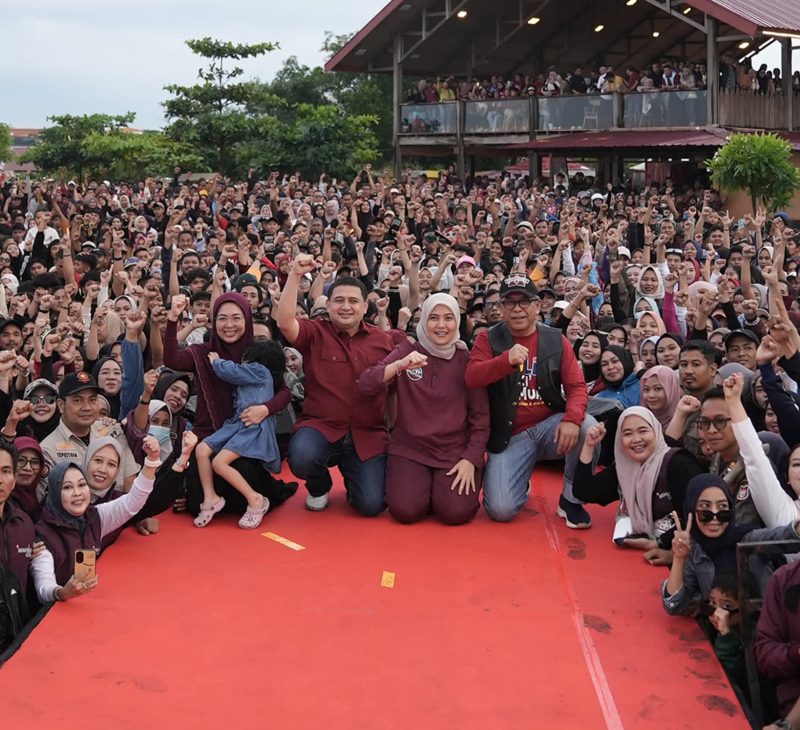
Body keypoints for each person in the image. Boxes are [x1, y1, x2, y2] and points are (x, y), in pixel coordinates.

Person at [465, 273, 595, 528]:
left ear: (537, 305)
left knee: (587, 426)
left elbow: (577, 387)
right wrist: (505, 361)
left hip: (549, 428)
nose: (517, 309)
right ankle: (519, 477)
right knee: (500, 510)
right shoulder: (487, 338)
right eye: (509, 302)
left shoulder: (555, 339)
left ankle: (571, 499)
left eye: (524, 302)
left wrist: (571, 419)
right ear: (500, 308)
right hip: (509, 435)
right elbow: (471, 377)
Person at [277, 253, 394, 516]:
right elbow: (285, 322)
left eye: (353, 301)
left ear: (365, 307)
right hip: (322, 427)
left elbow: (393, 391)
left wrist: (396, 429)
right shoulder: (315, 332)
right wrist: (295, 274)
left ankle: (355, 480)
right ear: (328, 305)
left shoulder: (383, 341)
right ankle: (319, 486)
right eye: (339, 300)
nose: (346, 306)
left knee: (371, 505)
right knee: (302, 457)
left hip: (367, 433)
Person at [359, 293, 490, 524]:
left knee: (455, 513)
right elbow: (367, 384)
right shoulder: (408, 350)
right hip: (410, 448)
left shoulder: (467, 359)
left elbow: (480, 418)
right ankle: (424, 490)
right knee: (405, 511)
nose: (441, 325)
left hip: (453, 452)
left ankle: (438, 491)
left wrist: (471, 458)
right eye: (434, 318)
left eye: (448, 318)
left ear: (457, 322)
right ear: (423, 321)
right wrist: (398, 365)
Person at [163, 291, 296, 517]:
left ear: (247, 319)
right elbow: (172, 360)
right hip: (209, 434)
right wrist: (173, 320)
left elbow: (284, 391)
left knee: (241, 475)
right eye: (222, 318)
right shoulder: (204, 353)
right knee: (195, 503)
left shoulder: (256, 356)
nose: (229, 325)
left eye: (237, 318)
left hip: (244, 435)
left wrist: (265, 409)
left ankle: (255, 498)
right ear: (214, 323)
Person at [32, 436, 164, 603]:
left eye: (81, 485)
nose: (77, 493)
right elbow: (43, 586)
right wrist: (63, 592)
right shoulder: (42, 535)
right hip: (53, 617)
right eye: (67, 487)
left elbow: (133, 502)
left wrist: (151, 461)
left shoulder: (95, 516)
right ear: (55, 493)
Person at [574, 408, 705, 562]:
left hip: (684, 555)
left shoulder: (677, 464)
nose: (636, 439)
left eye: (643, 431)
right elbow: (584, 491)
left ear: (656, 431)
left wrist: (660, 543)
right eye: (628, 433)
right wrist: (589, 446)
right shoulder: (626, 467)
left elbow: (699, 514)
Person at [662, 474, 800, 617]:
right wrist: (679, 558)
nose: (715, 515)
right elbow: (674, 606)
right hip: (723, 634)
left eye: (722, 508)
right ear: (691, 511)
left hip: (766, 629)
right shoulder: (694, 552)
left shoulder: (747, 540)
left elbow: (785, 536)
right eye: (705, 508)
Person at [194, 342, 284, 530]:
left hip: (252, 427)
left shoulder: (260, 371)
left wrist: (217, 362)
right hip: (237, 423)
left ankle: (256, 499)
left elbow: (232, 372)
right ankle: (210, 497)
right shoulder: (259, 377)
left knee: (219, 463)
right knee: (202, 449)